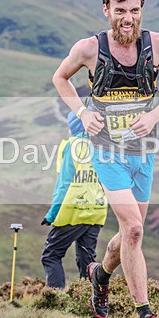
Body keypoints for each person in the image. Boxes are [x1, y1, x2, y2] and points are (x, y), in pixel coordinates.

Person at [52, 0, 159, 318]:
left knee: (129, 238)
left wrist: (153, 116)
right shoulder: (89, 49)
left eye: (133, 10)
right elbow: (60, 78)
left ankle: (100, 274)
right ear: (106, 11)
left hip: (142, 154)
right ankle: (146, 317)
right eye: (119, 10)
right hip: (107, 153)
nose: (127, 18)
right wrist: (83, 113)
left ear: (141, 9)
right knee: (133, 230)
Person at [40, 111, 107, 289]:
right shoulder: (102, 146)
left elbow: (64, 183)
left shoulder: (73, 146)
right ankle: (88, 299)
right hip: (97, 211)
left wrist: (52, 214)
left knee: (51, 254)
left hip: (74, 211)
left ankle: (55, 298)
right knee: (87, 258)